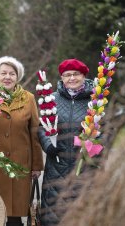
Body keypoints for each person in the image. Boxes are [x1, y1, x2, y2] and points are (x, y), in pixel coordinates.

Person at [0, 56, 44, 226]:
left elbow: (35, 133)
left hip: (19, 167)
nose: (7, 77)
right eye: (3, 73)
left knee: (14, 219)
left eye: (12, 73)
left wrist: (36, 165)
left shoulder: (28, 99)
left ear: (18, 77)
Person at [38, 58, 93, 226]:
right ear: (61, 78)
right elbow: (41, 127)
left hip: (83, 169)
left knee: (82, 217)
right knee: (54, 216)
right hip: (56, 168)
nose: (71, 78)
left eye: (76, 74)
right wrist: (48, 145)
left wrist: (91, 148)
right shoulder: (51, 99)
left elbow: (105, 129)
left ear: (84, 76)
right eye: (67, 75)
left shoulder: (95, 101)